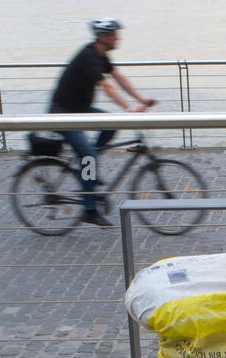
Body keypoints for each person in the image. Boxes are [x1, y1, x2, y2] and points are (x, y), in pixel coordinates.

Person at [48, 18, 156, 226]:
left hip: (79, 110)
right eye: (115, 35)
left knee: (110, 125)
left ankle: (90, 170)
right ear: (103, 37)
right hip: (62, 114)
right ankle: (89, 210)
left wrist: (141, 100)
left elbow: (119, 78)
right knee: (88, 156)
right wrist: (129, 108)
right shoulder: (88, 57)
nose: (118, 38)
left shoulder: (101, 55)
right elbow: (107, 87)